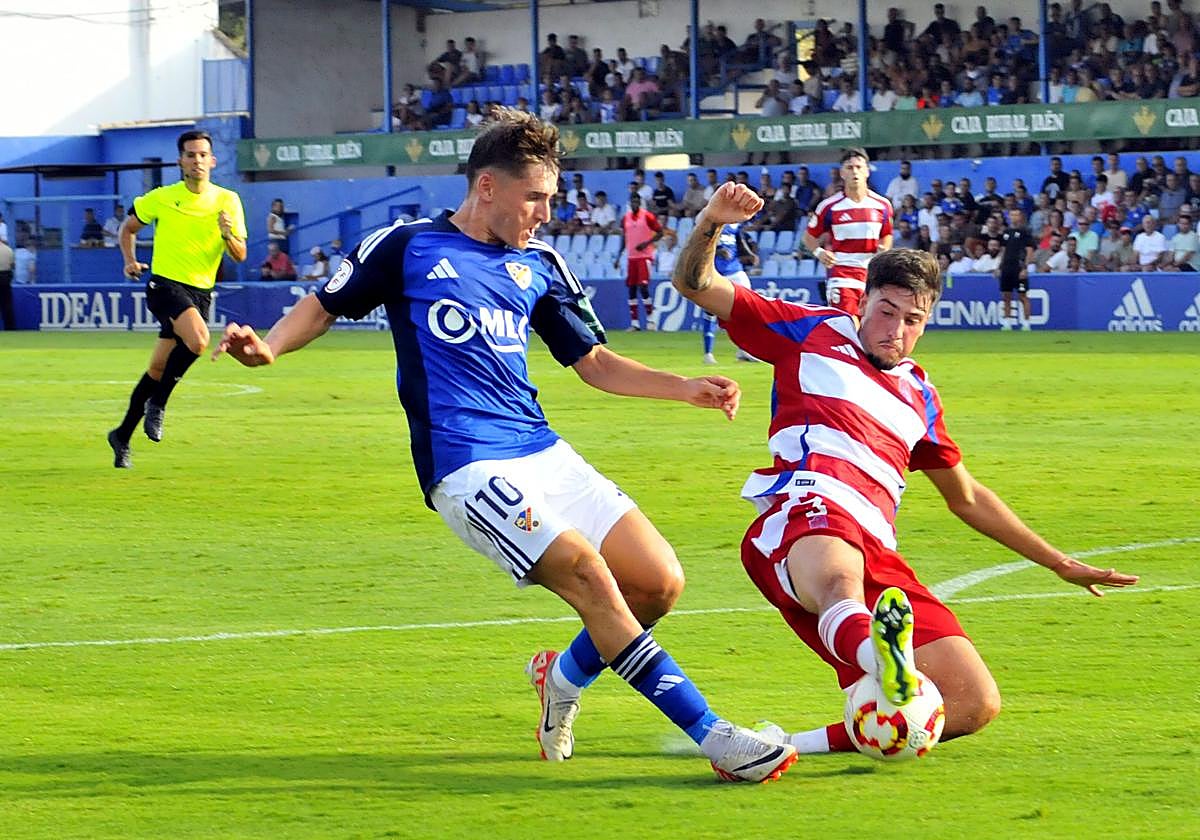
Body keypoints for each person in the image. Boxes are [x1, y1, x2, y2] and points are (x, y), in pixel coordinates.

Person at [212, 109, 797, 784]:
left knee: (658, 583)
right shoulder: (405, 246)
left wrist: (684, 387)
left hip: (540, 449)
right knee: (588, 574)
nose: (546, 214)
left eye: (551, 199)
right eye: (535, 198)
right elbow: (323, 305)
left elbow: (593, 362)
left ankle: (561, 676)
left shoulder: (540, 263)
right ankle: (716, 738)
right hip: (465, 463)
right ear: (487, 186)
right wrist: (269, 348)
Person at [671, 183, 1139, 757]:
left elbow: (967, 498)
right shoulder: (810, 331)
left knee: (972, 703)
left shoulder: (921, 396)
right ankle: (882, 657)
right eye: (886, 311)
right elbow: (696, 283)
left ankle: (781, 744)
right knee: (839, 583)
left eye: (911, 319)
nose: (894, 329)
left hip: (878, 545)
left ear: (926, 322)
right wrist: (712, 222)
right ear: (863, 303)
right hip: (807, 509)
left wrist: (1059, 562)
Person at [107, 129, 247, 469]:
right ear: (180, 161)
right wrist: (129, 260)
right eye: (190, 155)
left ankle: (121, 435)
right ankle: (158, 404)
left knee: (158, 369)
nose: (197, 160)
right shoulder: (162, 197)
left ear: (212, 161)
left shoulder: (228, 200)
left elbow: (240, 254)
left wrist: (227, 233)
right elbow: (128, 228)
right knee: (198, 341)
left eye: (203, 155)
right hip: (165, 285)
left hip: (200, 293)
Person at [802, 147, 893, 318]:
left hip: (872, 274)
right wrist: (819, 252)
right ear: (842, 173)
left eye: (859, 167)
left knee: (869, 326)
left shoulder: (882, 205)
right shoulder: (829, 206)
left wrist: (884, 249)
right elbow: (808, 237)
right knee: (846, 324)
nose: (855, 172)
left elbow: (886, 234)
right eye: (849, 168)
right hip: (842, 273)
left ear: (867, 171)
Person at [702, 223, 758, 365]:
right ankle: (708, 353)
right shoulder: (710, 224)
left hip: (736, 272)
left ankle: (744, 350)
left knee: (748, 311)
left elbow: (740, 241)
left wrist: (749, 254)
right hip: (715, 273)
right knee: (710, 312)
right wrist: (718, 250)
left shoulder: (735, 226)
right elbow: (701, 245)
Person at [618, 192, 664, 330]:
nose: (635, 204)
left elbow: (660, 233)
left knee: (643, 287)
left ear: (640, 203)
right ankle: (635, 323)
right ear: (630, 203)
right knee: (632, 289)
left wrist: (646, 244)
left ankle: (651, 320)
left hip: (644, 256)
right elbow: (624, 237)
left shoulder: (647, 216)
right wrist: (619, 255)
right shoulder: (625, 218)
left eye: (637, 201)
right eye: (633, 201)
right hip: (631, 257)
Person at [997, 207, 1035, 330]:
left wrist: (1025, 268)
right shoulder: (1006, 232)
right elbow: (1003, 251)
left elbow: (1029, 250)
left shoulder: (1025, 232)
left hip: (1019, 268)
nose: (1014, 217)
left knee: (1022, 296)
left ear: (1020, 217)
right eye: (1012, 215)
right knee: (1006, 296)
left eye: (1016, 215)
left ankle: (1026, 322)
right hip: (1007, 268)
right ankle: (1007, 322)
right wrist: (999, 267)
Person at [0, 238, 13, 330]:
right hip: (6, 278)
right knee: (7, 305)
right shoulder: (8, 250)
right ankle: (10, 327)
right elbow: (12, 265)